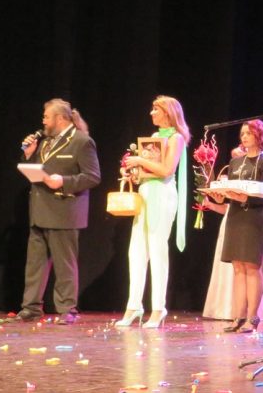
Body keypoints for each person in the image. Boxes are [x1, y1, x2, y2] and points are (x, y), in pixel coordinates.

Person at [15, 98, 101, 324]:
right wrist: (29, 155)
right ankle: (31, 307)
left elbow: (93, 177)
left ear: (60, 118)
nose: (43, 121)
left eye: (46, 117)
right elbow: (39, 171)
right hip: (39, 210)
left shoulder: (82, 141)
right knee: (35, 264)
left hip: (64, 212)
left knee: (64, 265)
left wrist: (63, 181)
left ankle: (67, 309)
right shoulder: (44, 141)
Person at [118, 96, 189, 329]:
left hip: (162, 195)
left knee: (158, 251)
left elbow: (167, 170)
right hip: (146, 193)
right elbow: (149, 172)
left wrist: (139, 159)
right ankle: (134, 306)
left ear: (168, 113)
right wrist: (133, 171)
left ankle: (158, 308)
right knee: (136, 251)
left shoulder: (176, 138)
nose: (151, 113)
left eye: (155, 109)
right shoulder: (155, 136)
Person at [209, 120, 263, 333]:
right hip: (235, 217)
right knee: (237, 267)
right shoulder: (235, 162)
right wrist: (220, 194)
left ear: (259, 136)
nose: (244, 136)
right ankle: (238, 316)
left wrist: (245, 197)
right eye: (242, 133)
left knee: (251, 266)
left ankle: (252, 317)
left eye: (248, 133)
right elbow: (230, 192)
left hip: (253, 218)